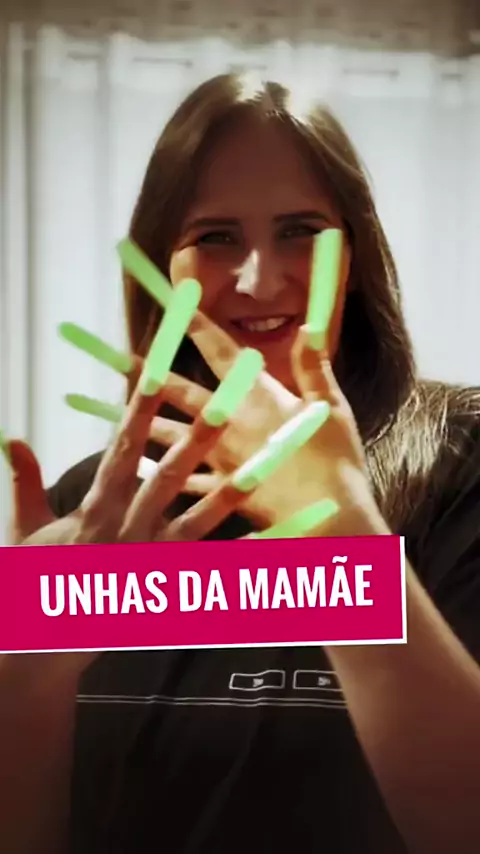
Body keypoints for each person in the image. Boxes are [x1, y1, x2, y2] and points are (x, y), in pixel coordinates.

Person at [1, 72, 480, 854]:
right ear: (163, 266)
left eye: (301, 230)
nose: (260, 279)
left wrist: (344, 533)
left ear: (357, 256)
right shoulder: (93, 511)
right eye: (216, 237)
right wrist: (27, 671)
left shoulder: (462, 463)